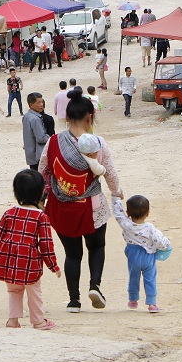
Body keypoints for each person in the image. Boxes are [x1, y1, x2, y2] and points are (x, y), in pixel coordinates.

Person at [39, 88, 123, 312]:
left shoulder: (54, 142)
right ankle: (95, 286)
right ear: (90, 117)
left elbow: (43, 170)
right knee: (97, 246)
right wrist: (117, 193)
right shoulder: (98, 143)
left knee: (72, 254)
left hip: (62, 205)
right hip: (92, 204)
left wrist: (44, 195)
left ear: (66, 117)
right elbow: (110, 173)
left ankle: (73, 300)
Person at [0, 169, 61, 330]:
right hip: (29, 262)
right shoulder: (40, 217)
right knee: (34, 291)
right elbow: (45, 244)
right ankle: (38, 321)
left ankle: (13, 321)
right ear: (41, 192)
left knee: (14, 290)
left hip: (8, 260)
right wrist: (53, 266)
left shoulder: (9, 213)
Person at [112, 196, 170, 314]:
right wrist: (166, 246)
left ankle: (133, 299)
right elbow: (159, 240)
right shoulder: (149, 228)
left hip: (133, 255)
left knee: (134, 276)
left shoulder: (126, 224)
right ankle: (152, 303)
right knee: (150, 278)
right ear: (148, 213)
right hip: (148, 255)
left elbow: (118, 214)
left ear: (128, 212)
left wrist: (116, 198)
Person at [22, 93, 50, 172]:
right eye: (38, 103)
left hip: (31, 154)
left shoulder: (27, 116)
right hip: (38, 155)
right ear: (31, 104)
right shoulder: (35, 119)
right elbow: (41, 138)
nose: (41, 105)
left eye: (42, 102)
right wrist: (51, 138)